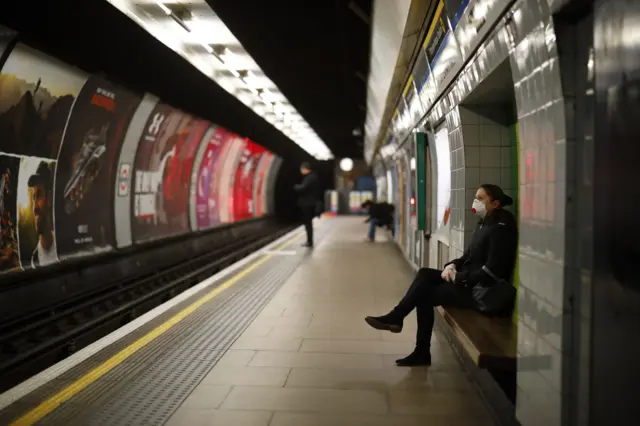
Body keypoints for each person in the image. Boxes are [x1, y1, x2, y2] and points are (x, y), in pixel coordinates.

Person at [364, 184, 518, 366]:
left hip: (482, 292)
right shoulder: (484, 222)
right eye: (476, 197)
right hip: (469, 282)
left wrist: (459, 278)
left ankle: (416, 345)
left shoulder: (502, 227)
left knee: (425, 295)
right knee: (424, 274)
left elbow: (493, 270)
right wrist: (453, 265)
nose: (476, 201)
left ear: (495, 203)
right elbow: (469, 255)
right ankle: (398, 318)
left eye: (481, 198)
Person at [28, 161, 57, 267]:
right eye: (33, 198)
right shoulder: (34, 260)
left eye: (39, 195)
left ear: (49, 198)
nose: (34, 207)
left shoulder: (64, 246)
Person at [294, 162, 320, 247]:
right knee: (308, 223)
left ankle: (309, 241)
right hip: (310, 203)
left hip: (307, 203)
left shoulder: (310, 177)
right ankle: (309, 241)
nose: (301, 171)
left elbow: (303, 187)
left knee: (308, 223)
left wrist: (296, 187)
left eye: (301, 169)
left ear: (305, 169)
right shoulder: (313, 177)